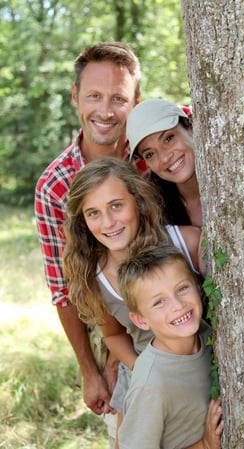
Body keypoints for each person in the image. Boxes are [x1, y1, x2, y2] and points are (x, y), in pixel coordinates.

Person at [34, 41, 144, 433]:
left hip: (178, 309)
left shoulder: (156, 149)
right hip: (111, 327)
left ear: (136, 101)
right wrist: (90, 370)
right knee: (130, 431)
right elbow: (64, 290)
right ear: (76, 97)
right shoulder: (55, 186)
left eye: (119, 98)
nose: (106, 110)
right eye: (94, 96)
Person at [63, 157, 207, 447]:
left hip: (197, 370)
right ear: (83, 221)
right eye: (93, 213)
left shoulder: (185, 243)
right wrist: (140, 368)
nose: (108, 222)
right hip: (146, 379)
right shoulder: (97, 277)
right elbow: (114, 334)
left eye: (116, 205)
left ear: (138, 200)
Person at [117, 243, 224, 449]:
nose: (178, 305)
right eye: (159, 302)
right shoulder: (151, 384)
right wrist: (205, 445)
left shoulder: (206, 332)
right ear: (140, 320)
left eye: (182, 288)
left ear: (197, 286)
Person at [126, 98, 202, 227]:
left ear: (191, 127)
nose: (165, 158)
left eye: (169, 138)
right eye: (150, 154)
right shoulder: (153, 211)